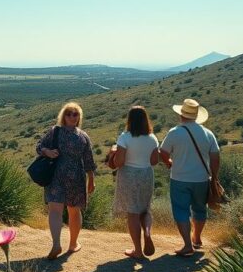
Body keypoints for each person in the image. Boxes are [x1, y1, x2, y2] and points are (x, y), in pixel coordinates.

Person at [159, 98, 221, 257]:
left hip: (179, 178)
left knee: (181, 211)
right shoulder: (208, 133)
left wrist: (169, 162)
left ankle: (187, 245)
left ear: (181, 115)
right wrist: (214, 177)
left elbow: (163, 152)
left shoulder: (174, 132)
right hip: (201, 179)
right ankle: (197, 238)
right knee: (200, 209)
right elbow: (215, 156)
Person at [36, 102, 97, 260]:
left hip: (66, 176)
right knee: (68, 210)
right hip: (68, 176)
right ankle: (66, 244)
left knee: (64, 210)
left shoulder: (75, 135)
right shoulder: (75, 135)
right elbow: (39, 146)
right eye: (69, 113)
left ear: (79, 117)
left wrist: (91, 179)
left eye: (75, 114)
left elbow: (89, 160)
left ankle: (65, 244)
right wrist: (47, 152)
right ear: (64, 116)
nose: (72, 116)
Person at [107, 105, 159, 259]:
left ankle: (137, 250)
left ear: (129, 120)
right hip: (146, 174)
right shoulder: (152, 138)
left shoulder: (125, 137)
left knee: (133, 213)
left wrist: (113, 154)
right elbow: (155, 161)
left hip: (129, 175)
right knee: (145, 210)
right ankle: (147, 233)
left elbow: (120, 162)